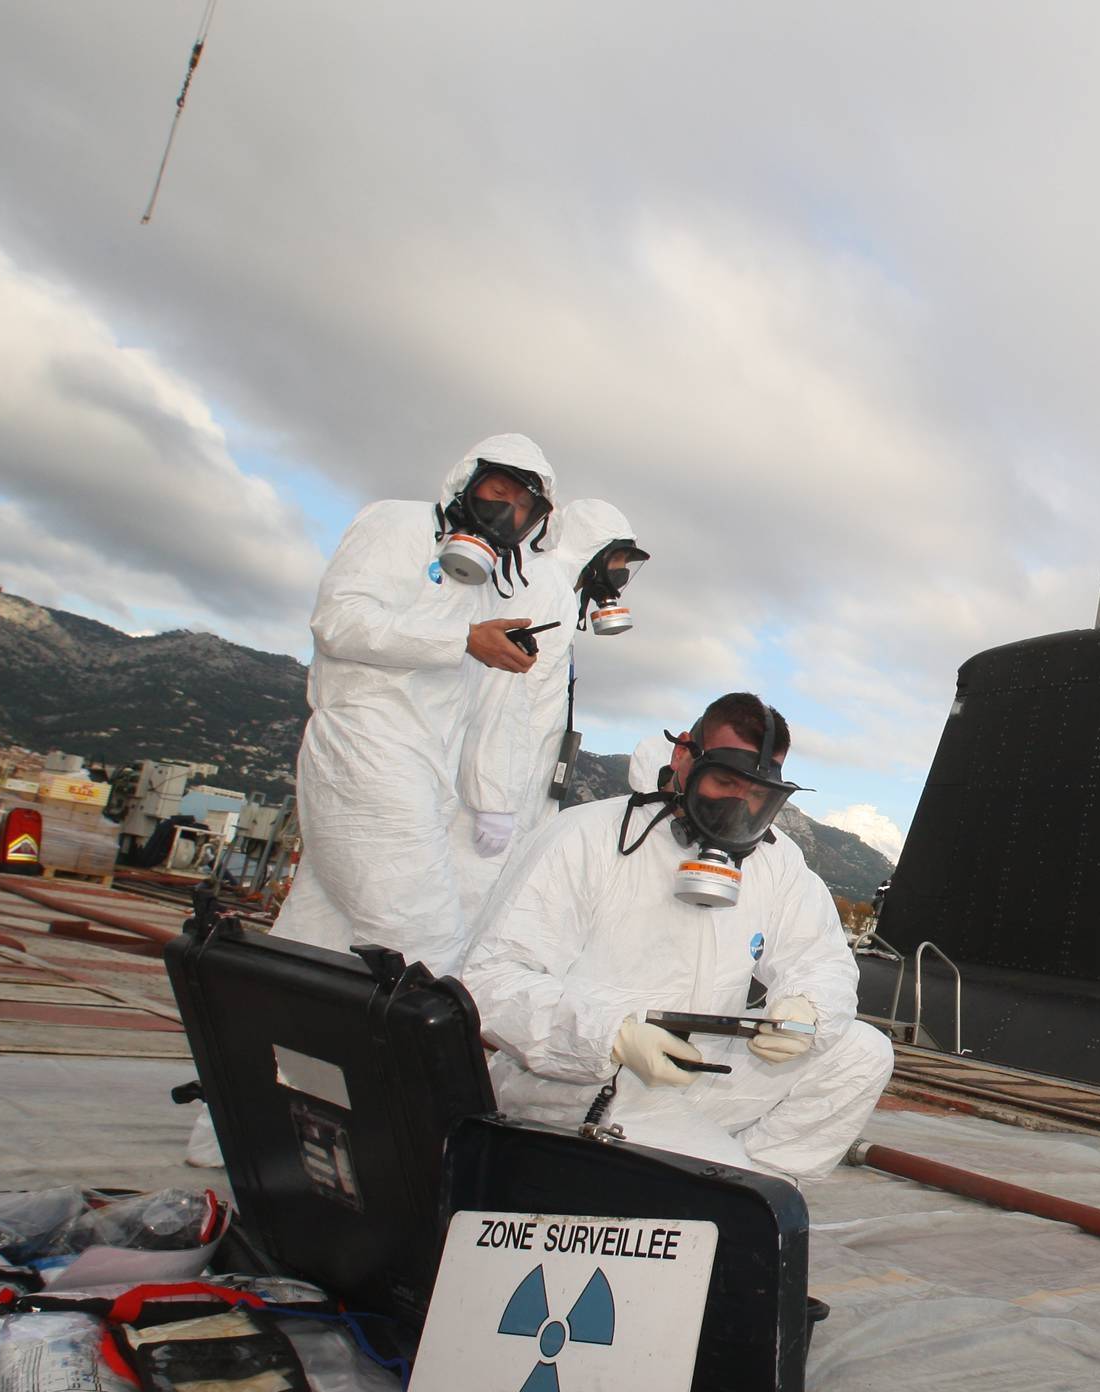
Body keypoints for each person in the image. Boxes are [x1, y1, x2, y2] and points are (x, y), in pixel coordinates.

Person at [460, 695, 893, 1186]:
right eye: (725, 782)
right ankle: (723, 1185)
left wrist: (808, 1010)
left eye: (758, 795)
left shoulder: (777, 861)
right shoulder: (586, 836)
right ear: (684, 757)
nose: (740, 805)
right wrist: (611, 1036)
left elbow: (822, 962)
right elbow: (490, 979)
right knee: (714, 1184)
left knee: (861, 1051)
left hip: (697, 1071)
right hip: (581, 1080)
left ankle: (765, 1186)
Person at [270, 435, 555, 974]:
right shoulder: (396, 524)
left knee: (317, 940)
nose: (507, 512)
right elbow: (338, 622)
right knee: (423, 942)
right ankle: (421, 1059)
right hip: (368, 746)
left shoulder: (489, 586)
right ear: (467, 481)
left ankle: (276, 1055)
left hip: (427, 772)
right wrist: (461, 641)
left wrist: (493, 655)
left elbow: (470, 698)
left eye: (524, 509)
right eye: (499, 492)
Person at [446, 499, 649, 924]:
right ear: (592, 547)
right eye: (616, 558)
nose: (620, 573)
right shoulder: (545, 588)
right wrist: (493, 800)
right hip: (488, 803)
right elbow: (503, 694)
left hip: (517, 794)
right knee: (462, 913)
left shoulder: (559, 592)